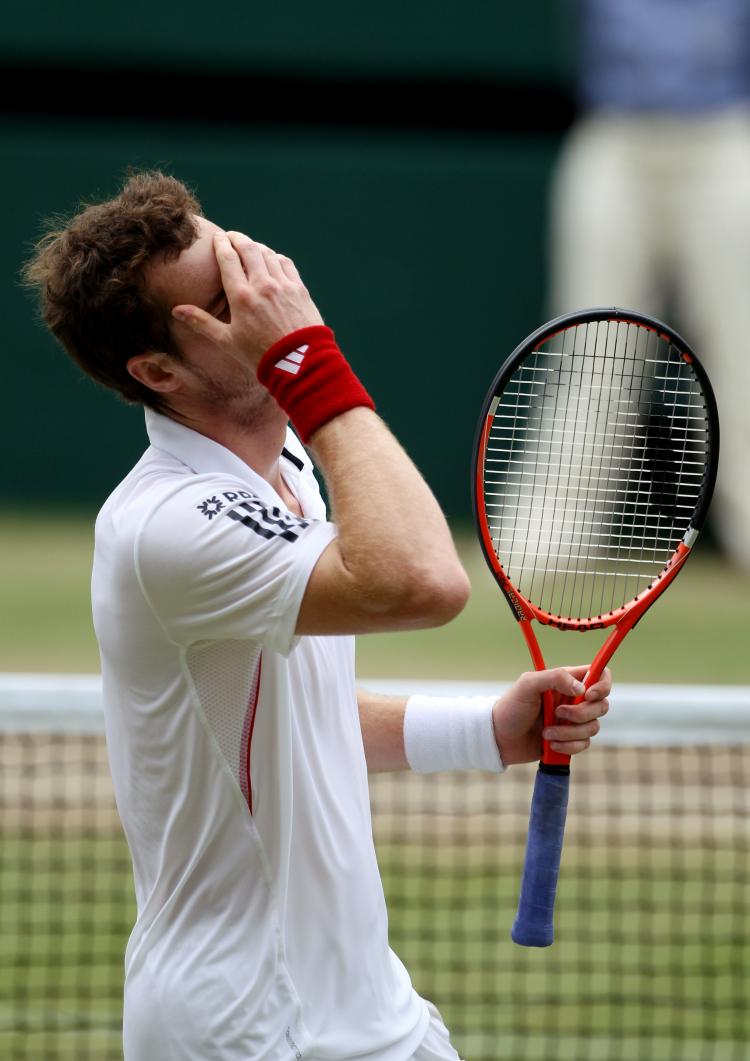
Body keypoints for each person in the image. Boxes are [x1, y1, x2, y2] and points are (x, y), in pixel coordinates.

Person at [24, 172, 611, 1061]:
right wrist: (305, 357)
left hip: (365, 1003)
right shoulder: (166, 525)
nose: (271, 295)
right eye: (229, 298)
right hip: (242, 1024)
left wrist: (484, 729)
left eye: (244, 259)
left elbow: (295, 717)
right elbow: (423, 582)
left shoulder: (291, 459)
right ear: (158, 371)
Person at [550, 0, 750, 568]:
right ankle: (552, 539)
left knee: (742, 346)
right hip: (615, 131)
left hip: (727, 130)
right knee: (590, 349)